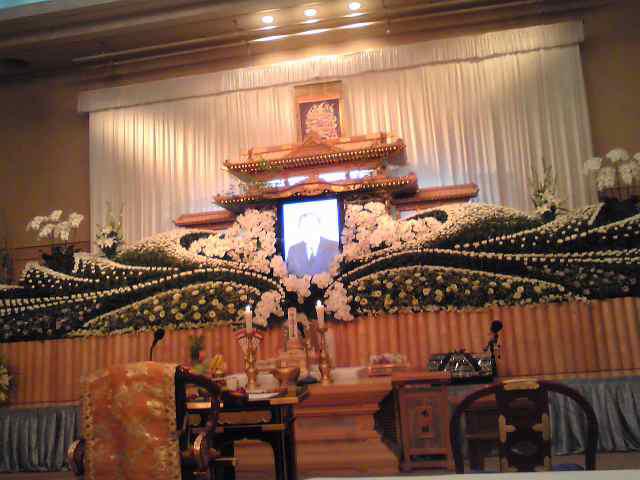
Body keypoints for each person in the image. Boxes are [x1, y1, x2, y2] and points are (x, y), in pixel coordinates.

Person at [286, 212, 339, 276]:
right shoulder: (293, 250)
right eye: (304, 227)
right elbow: (290, 276)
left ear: (319, 227)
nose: (308, 231)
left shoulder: (334, 247)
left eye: (311, 226)